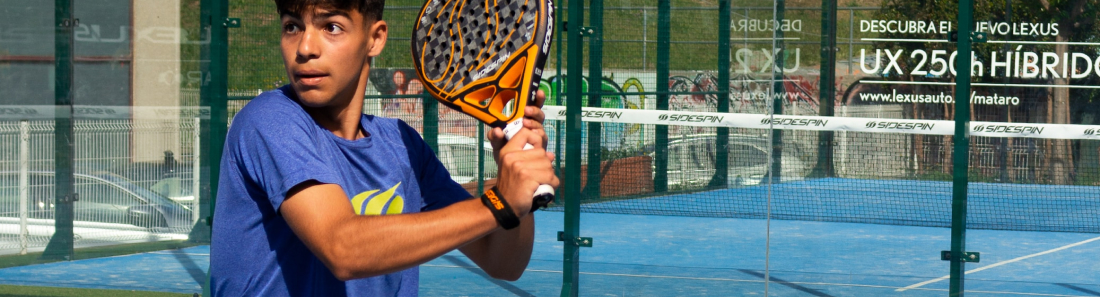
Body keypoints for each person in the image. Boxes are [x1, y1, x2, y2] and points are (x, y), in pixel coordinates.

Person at [209, 0, 560, 295]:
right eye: (292, 27)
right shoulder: (268, 121)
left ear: (375, 38)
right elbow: (343, 248)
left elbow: (503, 262)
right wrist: (497, 204)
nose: (305, 48)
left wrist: (516, 180)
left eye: (331, 27)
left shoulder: (402, 145)